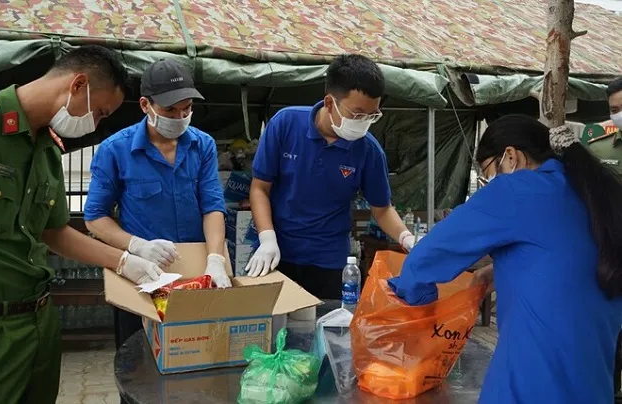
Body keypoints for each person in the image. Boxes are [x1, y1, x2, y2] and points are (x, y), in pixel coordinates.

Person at [0, 45, 167, 404]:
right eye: (100, 112)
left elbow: (54, 231)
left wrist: (124, 261)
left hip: (39, 323)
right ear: (78, 85)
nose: (97, 124)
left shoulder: (48, 150)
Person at [388, 114, 622, 403]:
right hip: (594, 384)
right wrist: (499, 271)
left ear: (511, 157)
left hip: (533, 382)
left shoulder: (517, 189)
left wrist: (420, 322)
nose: (489, 184)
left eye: (488, 174)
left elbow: (422, 261)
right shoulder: (592, 195)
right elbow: (564, 257)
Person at [84, 58, 229, 349]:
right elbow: (95, 218)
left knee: (197, 354)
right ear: (145, 106)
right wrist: (137, 245)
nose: (180, 116)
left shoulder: (202, 145)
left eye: (187, 108)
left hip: (195, 276)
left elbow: (212, 206)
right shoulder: (116, 150)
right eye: (170, 110)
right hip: (143, 277)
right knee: (139, 359)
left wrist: (215, 260)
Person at [245, 54, 417, 299]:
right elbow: (260, 188)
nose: (364, 123)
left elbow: (381, 209)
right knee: (268, 327)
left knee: (326, 328)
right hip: (277, 251)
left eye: (372, 116)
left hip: (328, 258)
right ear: (329, 102)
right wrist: (267, 238)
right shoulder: (286, 124)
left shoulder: (368, 151)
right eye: (357, 114)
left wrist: (407, 238)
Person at [588, 77, 622, 402]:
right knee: (611, 339)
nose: (619, 114)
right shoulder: (598, 148)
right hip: (611, 258)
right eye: (615, 109)